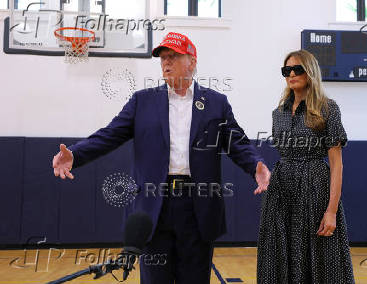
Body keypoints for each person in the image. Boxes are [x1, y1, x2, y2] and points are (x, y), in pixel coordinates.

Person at [52, 32, 270, 284]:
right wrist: (75, 154)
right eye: (163, 58)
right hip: (154, 208)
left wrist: (256, 165)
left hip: (197, 207)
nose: (166, 63)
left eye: (173, 56)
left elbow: (237, 143)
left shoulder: (215, 103)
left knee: (195, 279)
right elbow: (109, 135)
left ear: (192, 61)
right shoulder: (142, 101)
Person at [256, 50, 355, 283]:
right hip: (281, 191)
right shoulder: (277, 113)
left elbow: (336, 165)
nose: (291, 74)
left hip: (315, 189)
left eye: (297, 69)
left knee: (319, 257)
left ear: (310, 72)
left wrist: (331, 211)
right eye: (286, 71)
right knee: (277, 254)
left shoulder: (328, 109)